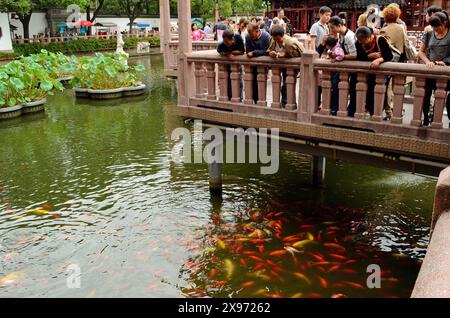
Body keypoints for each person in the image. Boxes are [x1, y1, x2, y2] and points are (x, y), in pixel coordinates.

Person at [418, 13, 450, 126]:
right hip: (430, 69)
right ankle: (426, 117)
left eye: (437, 26)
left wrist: (445, 61)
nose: (435, 29)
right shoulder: (429, 33)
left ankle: (437, 119)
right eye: (433, 26)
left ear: (444, 23)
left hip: (445, 70)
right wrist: (427, 61)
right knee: (425, 96)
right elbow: (421, 51)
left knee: (441, 96)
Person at [355, 26, 394, 117]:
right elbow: (360, 56)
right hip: (368, 73)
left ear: (369, 37)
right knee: (369, 94)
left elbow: (389, 56)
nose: (360, 43)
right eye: (359, 40)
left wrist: (379, 60)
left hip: (381, 74)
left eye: (362, 40)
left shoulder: (380, 40)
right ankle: (372, 112)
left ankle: (378, 113)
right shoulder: (358, 43)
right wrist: (370, 56)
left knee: (380, 93)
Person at [380, 4, 407, 120]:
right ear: (397, 15)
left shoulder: (383, 30)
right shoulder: (401, 27)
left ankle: (388, 111)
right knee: (399, 87)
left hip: (387, 60)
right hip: (400, 61)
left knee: (387, 87)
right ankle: (398, 111)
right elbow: (404, 46)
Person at [267, 25, 304, 107]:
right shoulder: (273, 40)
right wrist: (271, 53)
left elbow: (296, 54)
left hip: (291, 66)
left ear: (282, 35)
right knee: (284, 84)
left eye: (277, 39)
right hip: (281, 65)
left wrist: (284, 54)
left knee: (287, 85)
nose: (276, 40)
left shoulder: (289, 43)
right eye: (274, 38)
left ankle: (288, 103)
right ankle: (284, 102)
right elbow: (270, 49)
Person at [246, 22, 271, 103]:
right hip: (252, 65)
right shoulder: (248, 37)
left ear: (257, 31)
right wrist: (253, 53)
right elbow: (248, 51)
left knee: (261, 83)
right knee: (252, 84)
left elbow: (267, 51)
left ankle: (261, 101)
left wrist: (254, 53)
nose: (250, 36)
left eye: (252, 34)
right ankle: (255, 101)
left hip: (262, 66)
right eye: (249, 34)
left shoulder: (266, 37)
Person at [217, 29, 245, 101]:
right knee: (228, 82)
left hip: (237, 65)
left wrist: (230, 52)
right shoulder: (221, 44)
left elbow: (242, 51)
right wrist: (227, 54)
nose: (226, 43)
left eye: (228, 42)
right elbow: (219, 51)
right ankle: (229, 97)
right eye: (225, 41)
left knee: (239, 81)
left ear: (232, 39)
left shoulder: (238, 38)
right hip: (226, 66)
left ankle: (240, 98)